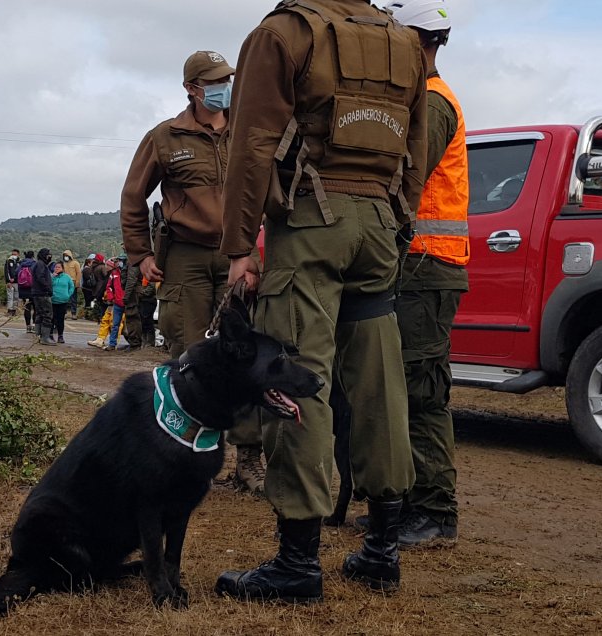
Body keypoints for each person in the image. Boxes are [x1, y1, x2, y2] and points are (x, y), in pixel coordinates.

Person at [215, 0, 427, 604]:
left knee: (296, 383)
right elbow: (413, 144)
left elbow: (251, 144)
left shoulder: (284, 32)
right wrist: (397, 218)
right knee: (379, 386)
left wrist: (238, 247)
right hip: (380, 221)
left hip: (312, 223)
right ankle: (383, 550)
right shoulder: (403, 40)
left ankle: (297, 563)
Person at [377, 0, 467, 549]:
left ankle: (435, 511)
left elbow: (405, 172)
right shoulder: (422, 98)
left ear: (418, 41)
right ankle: (411, 504)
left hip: (427, 268)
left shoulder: (432, 104)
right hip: (415, 268)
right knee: (403, 391)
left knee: (422, 393)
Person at [119, 50, 234, 359]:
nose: (223, 86)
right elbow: (133, 196)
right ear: (191, 88)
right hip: (186, 256)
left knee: (240, 348)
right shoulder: (164, 137)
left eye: (227, 79)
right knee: (188, 351)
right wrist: (141, 254)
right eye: (214, 81)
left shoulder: (248, 132)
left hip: (238, 253)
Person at [102, 255, 127, 352]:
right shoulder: (114, 273)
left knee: (131, 324)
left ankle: (135, 344)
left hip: (127, 302)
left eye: (120, 261)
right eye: (118, 261)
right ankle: (112, 344)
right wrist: (111, 297)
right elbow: (109, 286)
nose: (119, 263)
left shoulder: (129, 273)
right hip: (117, 302)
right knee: (115, 324)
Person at [32, 248, 55, 345]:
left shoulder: (38, 264)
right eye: (48, 255)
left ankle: (38, 335)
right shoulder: (41, 265)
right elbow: (40, 277)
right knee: (47, 315)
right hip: (42, 294)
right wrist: (48, 288)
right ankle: (45, 338)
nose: (49, 257)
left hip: (37, 293)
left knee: (39, 314)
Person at [50, 261, 75, 344]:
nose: (56, 269)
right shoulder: (52, 277)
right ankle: (50, 335)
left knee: (60, 319)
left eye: (58, 267)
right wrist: (52, 277)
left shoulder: (67, 277)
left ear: (62, 269)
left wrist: (68, 295)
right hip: (52, 301)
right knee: (51, 319)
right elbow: (48, 285)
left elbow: (71, 286)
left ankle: (60, 336)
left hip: (62, 301)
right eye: (55, 267)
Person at [17, 250, 38, 333]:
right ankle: (34, 325)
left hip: (23, 289)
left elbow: (16, 274)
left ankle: (27, 326)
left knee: (27, 308)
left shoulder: (21, 264)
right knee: (35, 308)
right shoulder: (34, 264)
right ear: (33, 256)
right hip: (33, 289)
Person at [61, 250, 83, 319]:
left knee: (73, 299)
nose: (65, 257)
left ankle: (74, 313)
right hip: (65, 283)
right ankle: (64, 313)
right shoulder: (64, 264)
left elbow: (79, 273)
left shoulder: (75, 263)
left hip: (73, 282)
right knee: (65, 299)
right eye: (64, 256)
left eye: (66, 255)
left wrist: (77, 283)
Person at [4, 249, 21, 316]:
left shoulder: (20, 262)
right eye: (13, 254)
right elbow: (6, 271)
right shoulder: (8, 261)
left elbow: (20, 272)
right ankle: (9, 310)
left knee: (16, 297)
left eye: (15, 254)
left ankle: (14, 310)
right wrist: (8, 281)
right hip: (10, 283)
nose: (14, 255)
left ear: (18, 254)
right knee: (10, 297)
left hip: (17, 282)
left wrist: (16, 279)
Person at [80, 254, 96, 318]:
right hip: (88, 289)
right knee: (89, 302)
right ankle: (87, 314)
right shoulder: (87, 270)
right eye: (92, 262)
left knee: (88, 302)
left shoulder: (85, 269)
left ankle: (87, 314)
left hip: (86, 288)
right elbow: (88, 278)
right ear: (89, 263)